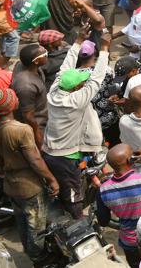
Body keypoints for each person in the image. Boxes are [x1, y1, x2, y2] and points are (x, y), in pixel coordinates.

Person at [0, 88, 59, 263]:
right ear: (11, 106)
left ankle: (29, 250)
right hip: (30, 185)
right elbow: (35, 160)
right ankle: (39, 258)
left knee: (22, 221)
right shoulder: (21, 129)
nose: (17, 99)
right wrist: (52, 179)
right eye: (14, 98)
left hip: (10, 184)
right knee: (36, 226)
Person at [41, 35, 111, 218]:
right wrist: (104, 49)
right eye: (82, 83)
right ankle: (78, 223)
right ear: (76, 88)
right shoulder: (75, 101)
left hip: (57, 149)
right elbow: (96, 79)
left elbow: (64, 69)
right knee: (73, 196)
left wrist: (77, 42)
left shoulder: (55, 91)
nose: (85, 83)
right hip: (64, 156)